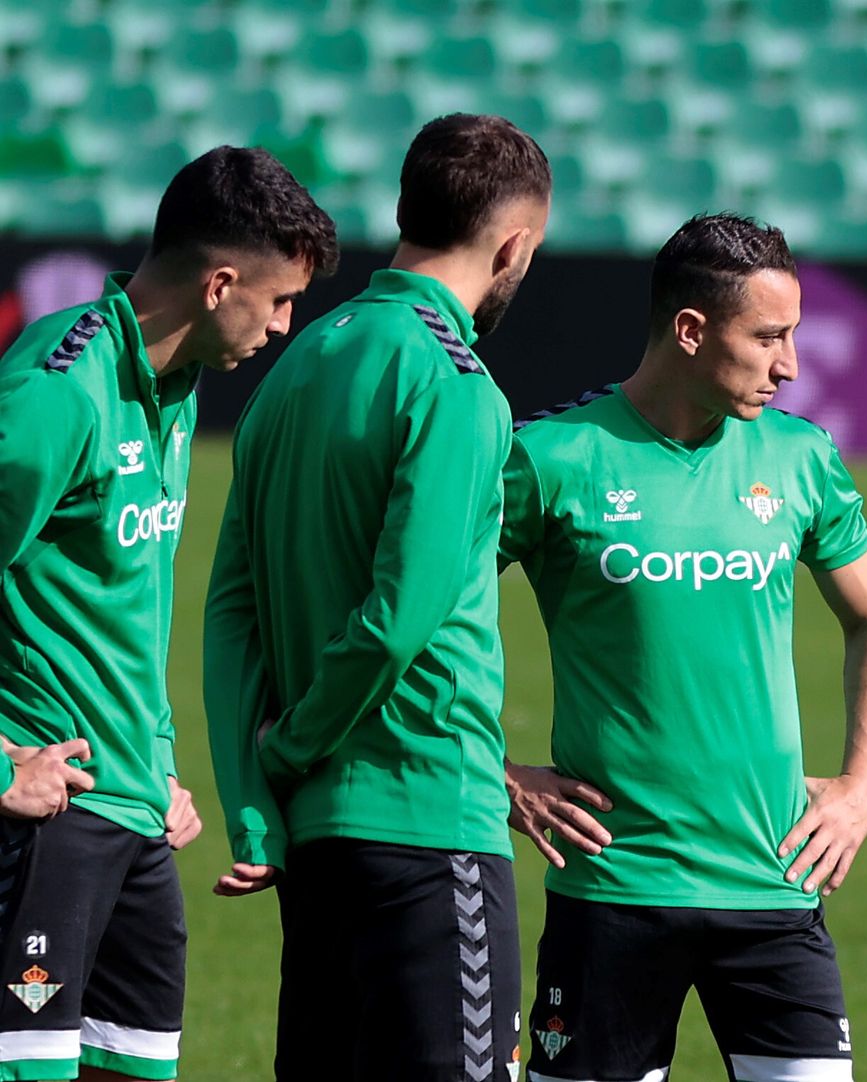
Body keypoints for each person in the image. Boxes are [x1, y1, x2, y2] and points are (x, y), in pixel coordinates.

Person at [501, 213, 867, 1082]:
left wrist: (863, 784)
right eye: (769, 337)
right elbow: (422, 620)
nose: (791, 364)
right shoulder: (549, 459)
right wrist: (493, 773)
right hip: (613, 887)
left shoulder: (801, 457)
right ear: (691, 330)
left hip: (773, 881)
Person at [202, 113, 550, 1082]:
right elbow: (402, 612)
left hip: (314, 837)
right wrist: (300, 738)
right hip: (431, 819)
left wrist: (255, 797)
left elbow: (232, 606)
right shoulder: (456, 382)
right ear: (515, 243)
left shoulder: (297, 361)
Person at [0, 147, 337, 1082]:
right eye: (275, 301)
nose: (283, 326)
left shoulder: (179, 388)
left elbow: (124, 613)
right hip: (47, 819)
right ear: (219, 282)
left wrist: (157, 771)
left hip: (137, 816)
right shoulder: (57, 393)